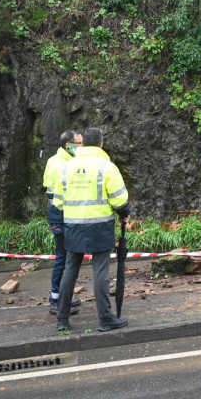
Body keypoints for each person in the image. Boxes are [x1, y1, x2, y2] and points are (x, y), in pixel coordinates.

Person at [54, 127, 130, 332]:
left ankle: (62, 318)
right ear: (101, 144)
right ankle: (105, 318)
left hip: (73, 225)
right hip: (99, 226)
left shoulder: (67, 167)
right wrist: (125, 212)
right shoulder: (106, 166)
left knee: (70, 269)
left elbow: (58, 201)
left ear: (83, 144)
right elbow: (120, 199)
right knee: (101, 272)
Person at [42, 130, 83, 316]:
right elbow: (62, 197)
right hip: (62, 217)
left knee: (66, 259)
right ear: (69, 145)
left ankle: (62, 297)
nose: (83, 146)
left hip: (59, 216)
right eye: (80, 143)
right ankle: (56, 300)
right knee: (63, 259)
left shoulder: (55, 160)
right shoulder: (62, 165)